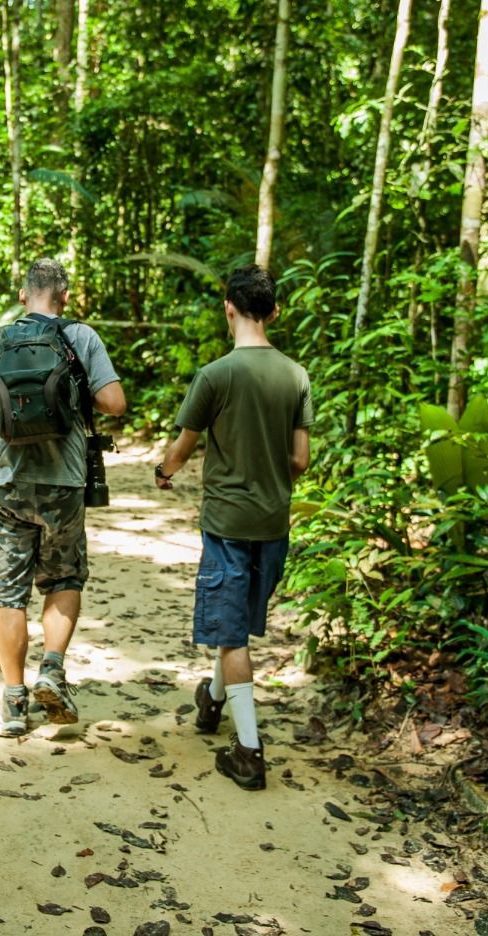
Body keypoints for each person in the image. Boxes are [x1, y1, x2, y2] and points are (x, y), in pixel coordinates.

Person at [0, 258, 126, 737]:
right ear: (63, 297)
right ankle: (51, 669)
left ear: (24, 296)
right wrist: (80, 387)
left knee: (9, 592)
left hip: (6, 482)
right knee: (64, 576)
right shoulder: (79, 337)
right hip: (63, 482)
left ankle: (13, 701)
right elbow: (115, 404)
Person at [154, 264, 311, 789]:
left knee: (229, 633)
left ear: (229, 308)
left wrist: (163, 472)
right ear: (275, 311)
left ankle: (248, 751)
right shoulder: (295, 375)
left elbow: (182, 447)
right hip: (273, 521)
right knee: (237, 625)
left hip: (225, 521)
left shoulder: (215, 375)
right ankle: (212, 700)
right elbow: (301, 460)